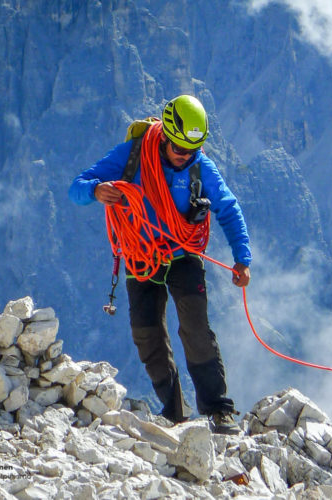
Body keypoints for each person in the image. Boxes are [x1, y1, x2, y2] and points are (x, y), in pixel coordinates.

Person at [69, 95, 251, 434]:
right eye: (179, 149)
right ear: (165, 136)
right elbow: (76, 188)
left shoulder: (200, 166)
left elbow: (228, 207)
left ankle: (218, 410)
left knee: (195, 327)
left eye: (191, 151)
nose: (184, 157)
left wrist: (242, 259)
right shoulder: (133, 156)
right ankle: (174, 414)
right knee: (147, 334)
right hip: (141, 255)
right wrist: (96, 190)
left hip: (184, 255)